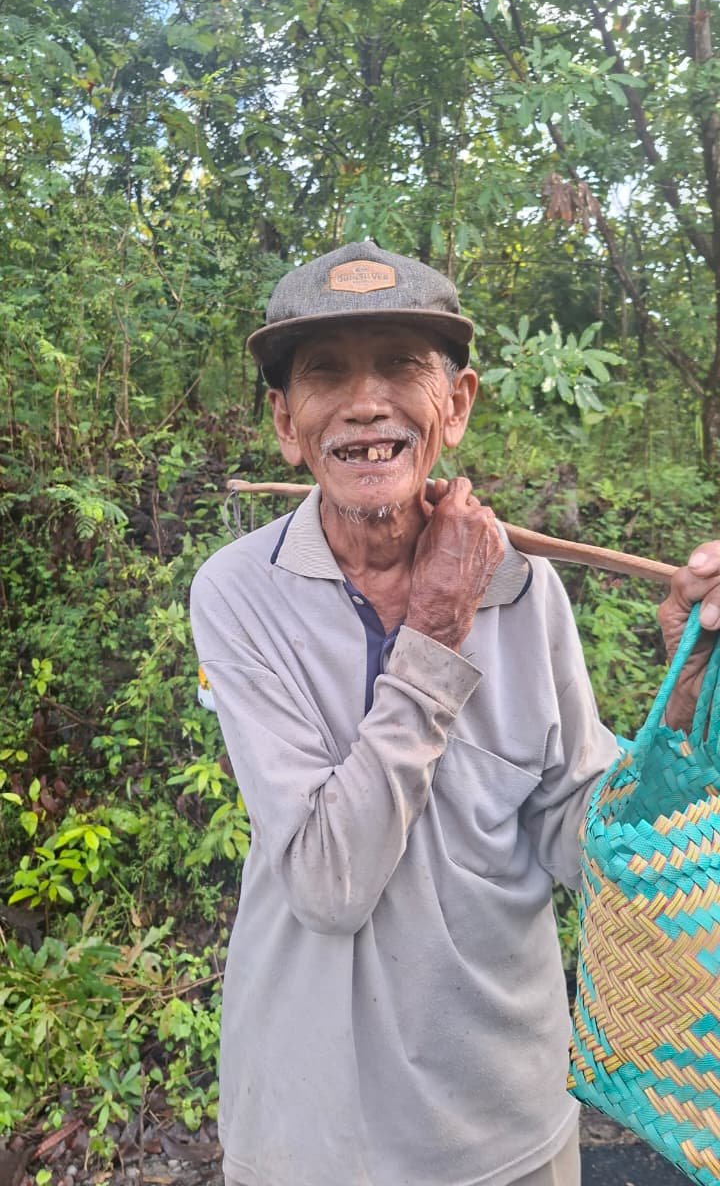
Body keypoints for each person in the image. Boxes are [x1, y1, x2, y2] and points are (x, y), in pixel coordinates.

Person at [190, 240, 720, 1186]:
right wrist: (435, 632)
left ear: (458, 405)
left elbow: (583, 844)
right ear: (285, 422)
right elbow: (327, 883)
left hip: (508, 1128)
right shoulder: (239, 593)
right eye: (326, 373)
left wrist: (688, 688)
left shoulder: (526, 591)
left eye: (401, 365)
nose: (366, 403)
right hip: (310, 1136)